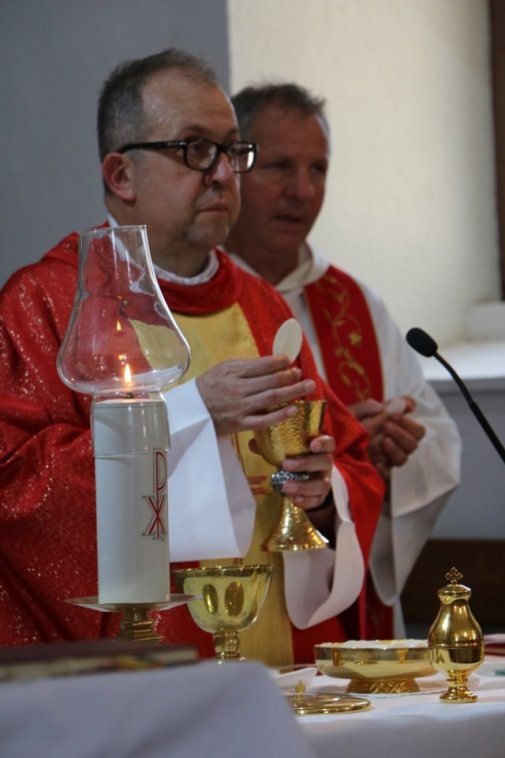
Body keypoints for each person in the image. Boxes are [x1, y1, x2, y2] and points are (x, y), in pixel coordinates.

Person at [0, 50, 384, 664]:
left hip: (283, 664)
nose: (225, 174)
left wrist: (322, 494)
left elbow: (348, 459)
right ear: (121, 175)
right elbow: (16, 489)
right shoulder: (48, 302)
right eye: (195, 149)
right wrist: (192, 413)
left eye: (233, 151)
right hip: (140, 675)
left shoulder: (262, 306)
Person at [226, 82, 462, 636]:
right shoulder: (200, 299)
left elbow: (440, 441)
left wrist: (377, 457)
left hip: (344, 597)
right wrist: (333, 441)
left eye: (318, 169)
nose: (303, 190)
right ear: (230, 169)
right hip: (240, 593)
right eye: (280, 167)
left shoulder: (356, 304)